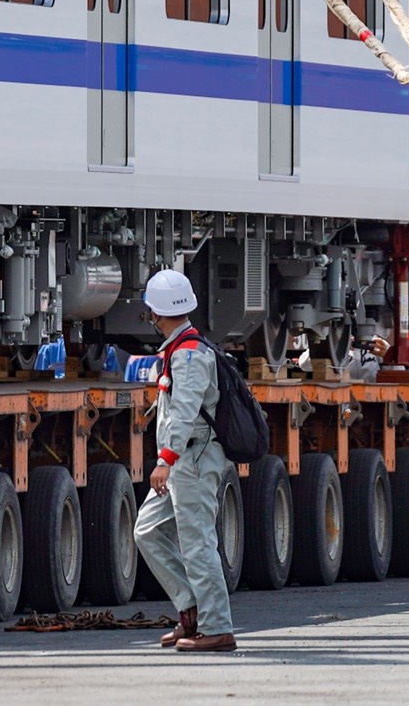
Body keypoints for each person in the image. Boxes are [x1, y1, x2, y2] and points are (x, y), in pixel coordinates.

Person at [131, 269, 235, 654]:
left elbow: (186, 412)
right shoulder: (181, 349)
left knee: (198, 544)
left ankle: (217, 627)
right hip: (183, 461)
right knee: (147, 531)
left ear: (156, 312)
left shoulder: (188, 354)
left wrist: (166, 460)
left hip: (191, 460)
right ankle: (191, 610)